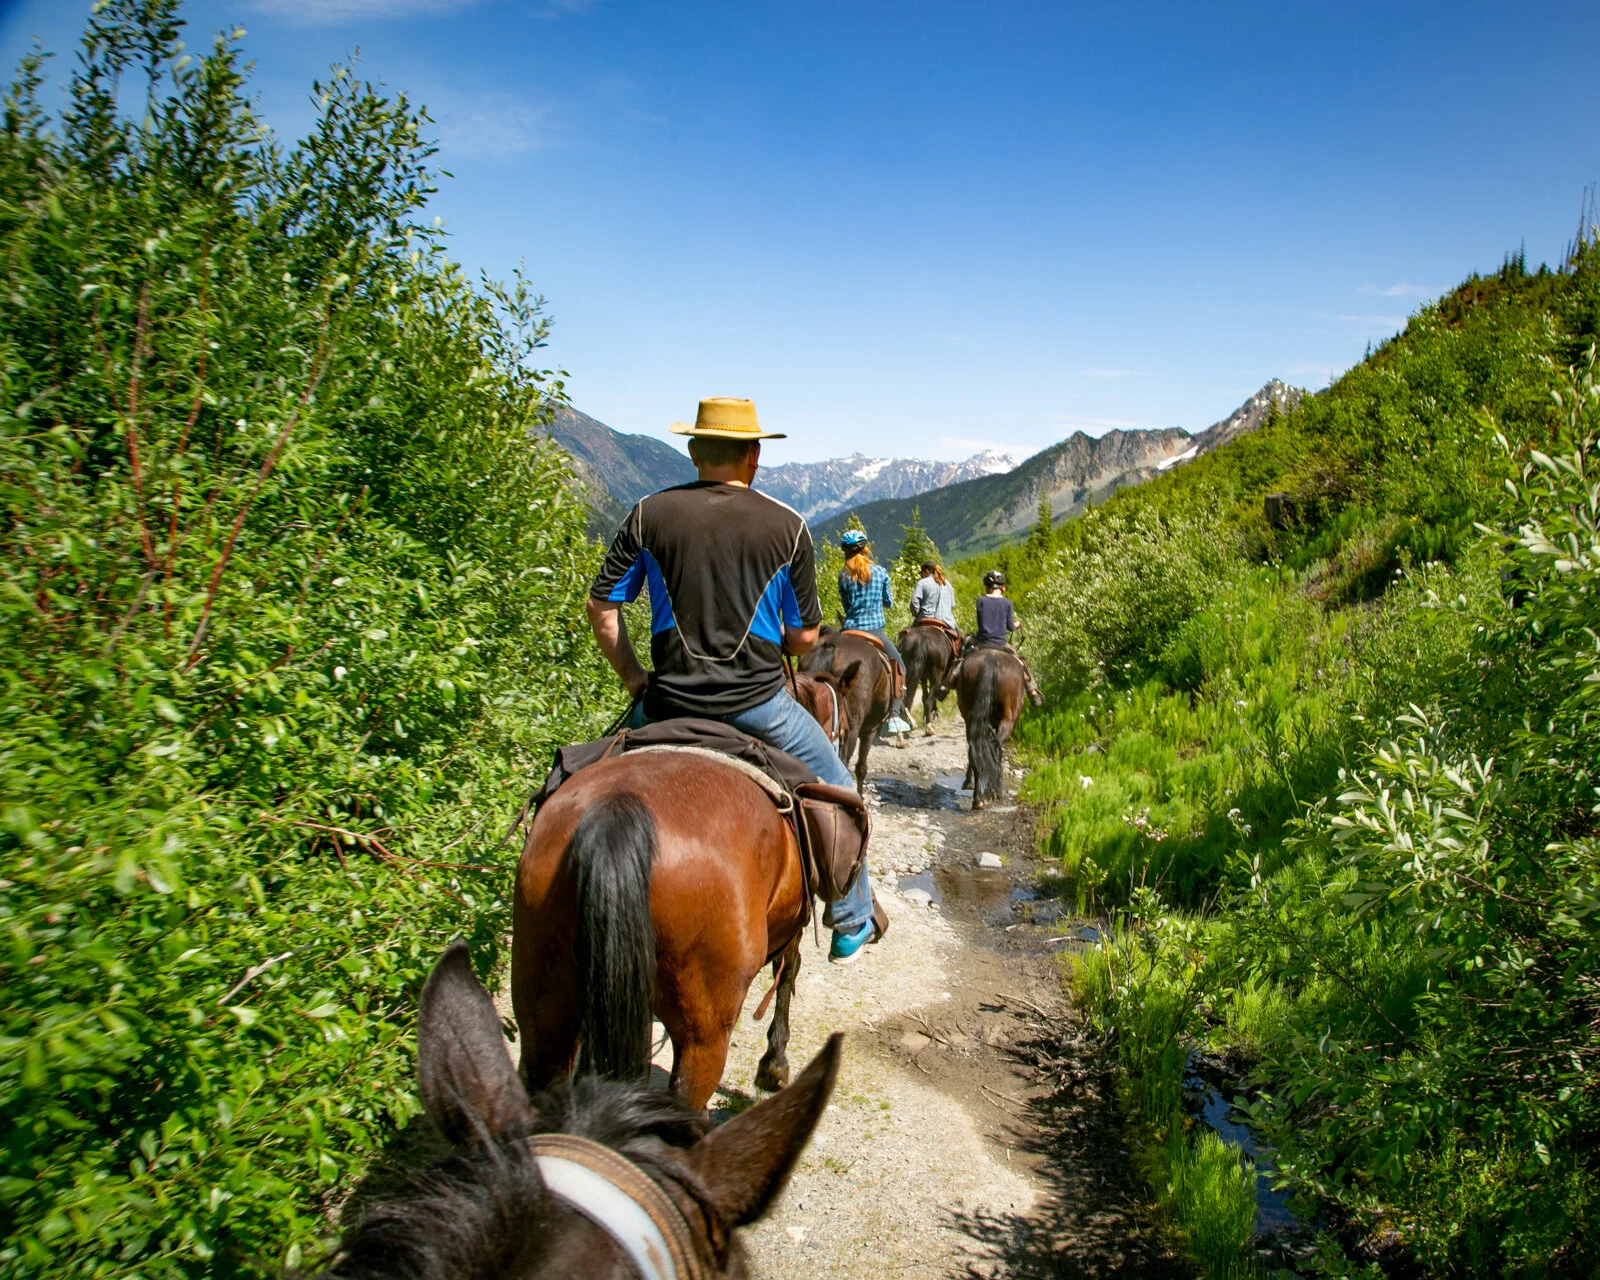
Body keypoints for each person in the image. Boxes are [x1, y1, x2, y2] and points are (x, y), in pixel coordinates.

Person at [585, 396, 880, 965]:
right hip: (759, 707)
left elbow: (602, 610)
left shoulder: (648, 514)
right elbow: (804, 638)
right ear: (755, 456)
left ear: (694, 450)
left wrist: (635, 680)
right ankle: (850, 918)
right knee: (840, 784)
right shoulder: (787, 526)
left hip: (665, 705)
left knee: (584, 778)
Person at [835, 530, 914, 742]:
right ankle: (894, 718)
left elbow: (846, 606)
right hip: (874, 633)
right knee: (900, 668)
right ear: (865, 549)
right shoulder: (880, 572)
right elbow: (888, 602)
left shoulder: (843, 576)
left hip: (850, 632)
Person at [965, 569, 1044, 706]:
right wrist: (1017, 625)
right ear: (1002, 587)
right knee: (1020, 663)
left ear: (987, 587)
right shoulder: (1007, 603)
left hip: (983, 642)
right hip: (1000, 643)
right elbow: (1010, 627)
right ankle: (1033, 692)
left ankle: (946, 685)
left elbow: (980, 623)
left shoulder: (980, 601)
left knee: (962, 657)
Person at [909, 560, 958, 630]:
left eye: (922, 574)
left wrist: (917, 614)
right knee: (960, 638)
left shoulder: (922, 583)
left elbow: (914, 602)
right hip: (947, 622)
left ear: (926, 571)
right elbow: (953, 605)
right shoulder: (947, 584)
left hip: (925, 620)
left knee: (905, 635)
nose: (922, 576)